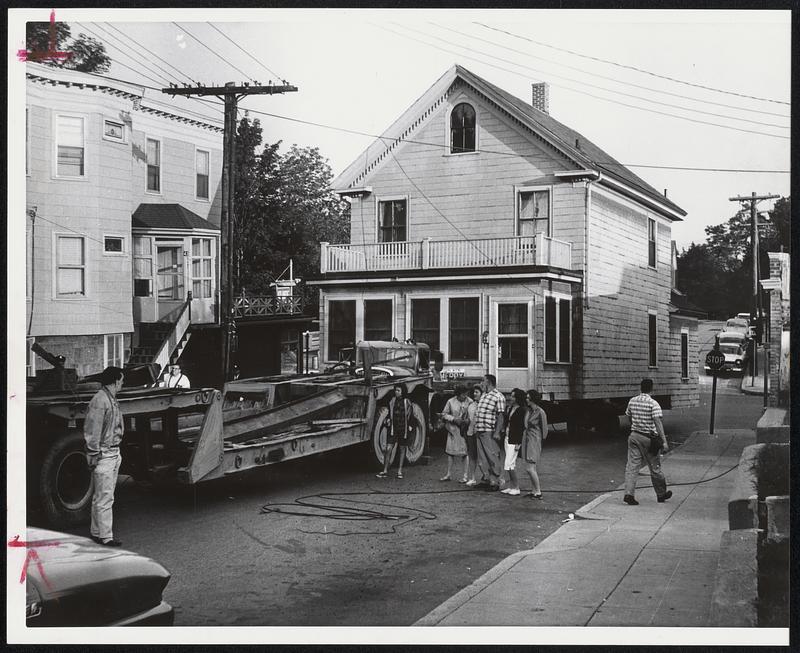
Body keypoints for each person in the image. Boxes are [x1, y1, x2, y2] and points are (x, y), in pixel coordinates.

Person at [84, 366, 125, 547]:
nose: (123, 384)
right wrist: (93, 453)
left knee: (100, 497)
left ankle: (96, 532)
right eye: (122, 380)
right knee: (105, 497)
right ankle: (106, 537)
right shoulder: (101, 400)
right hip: (105, 454)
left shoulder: (109, 399)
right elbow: (92, 430)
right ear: (116, 381)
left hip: (112, 453)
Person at [623, 378, 672, 505]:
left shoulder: (632, 401)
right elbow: (657, 422)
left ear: (641, 388)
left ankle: (629, 493)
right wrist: (664, 442)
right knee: (655, 467)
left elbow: (629, 416)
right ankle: (661, 494)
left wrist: (635, 426)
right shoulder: (653, 403)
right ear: (651, 388)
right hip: (649, 439)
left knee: (632, 466)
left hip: (634, 436)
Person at [472, 374, 506, 492]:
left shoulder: (498, 396)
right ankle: (486, 479)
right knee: (482, 457)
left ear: (489, 382)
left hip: (489, 431)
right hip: (479, 430)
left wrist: (497, 432)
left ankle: (494, 481)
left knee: (492, 456)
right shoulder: (484, 395)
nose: (482, 383)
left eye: (483, 381)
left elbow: (501, 415)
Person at [376, 385, 415, 479]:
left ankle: (400, 471)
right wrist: (388, 420)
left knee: (402, 449)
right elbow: (389, 413)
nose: (396, 392)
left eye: (398, 390)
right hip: (393, 429)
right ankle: (385, 470)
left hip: (403, 429)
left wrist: (410, 427)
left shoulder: (407, 402)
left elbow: (410, 416)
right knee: (388, 448)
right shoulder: (392, 401)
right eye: (395, 390)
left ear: (402, 392)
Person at [520, 389, 548, 499]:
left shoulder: (540, 412)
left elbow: (544, 430)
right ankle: (534, 491)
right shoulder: (529, 411)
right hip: (527, 439)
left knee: (530, 468)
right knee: (531, 467)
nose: (526, 399)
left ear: (532, 399)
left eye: (528, 398)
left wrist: (540, 442)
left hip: (534, 440)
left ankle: (538, 491)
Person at [439, 384, 471, 482]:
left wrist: (467, 421)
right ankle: (448, 474)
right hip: (453, 430)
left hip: (464, 430)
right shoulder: (450, 401)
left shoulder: (470, 401)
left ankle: (465, 476)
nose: (465, 396)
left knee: (465, 453)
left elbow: (473, 414)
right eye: (462, 394)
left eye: (466, 394)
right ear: (457, 394)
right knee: (450, 452)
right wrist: (453, 419)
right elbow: (444, 414)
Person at [500, 388, 526, 495]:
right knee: (510, 464)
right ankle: (512, 486)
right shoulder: (510, 408)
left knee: (509, 463)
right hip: (508, 437)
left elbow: (521, 427)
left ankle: (516, 487)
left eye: (513, 396)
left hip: (515, 439)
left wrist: (518, 443)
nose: (511, 398)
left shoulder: (521, 410)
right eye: (511, 395)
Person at [464, 385, 484, 486]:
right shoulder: (471, 405)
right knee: (472, 456)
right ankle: (472, 477)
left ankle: (487, 477)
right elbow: (468, 418)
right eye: (474, 392)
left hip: (481, 434)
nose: (474, 394)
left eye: (477, 392)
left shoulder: (484, 405)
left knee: (482, 458)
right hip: (470, 433)